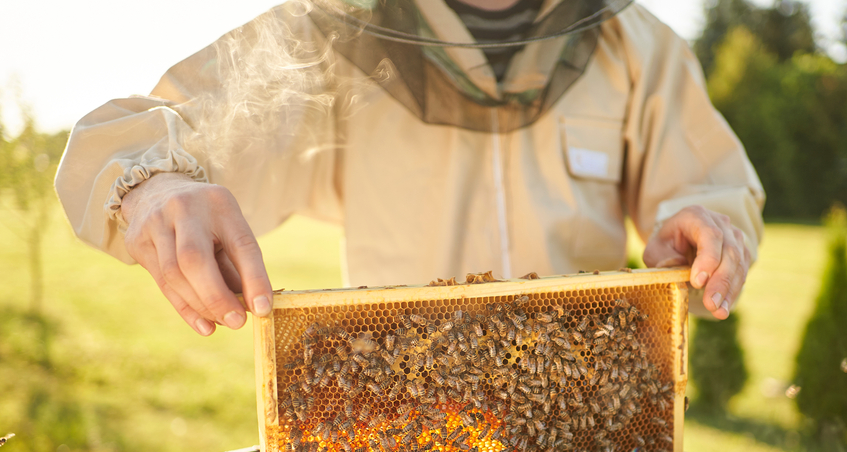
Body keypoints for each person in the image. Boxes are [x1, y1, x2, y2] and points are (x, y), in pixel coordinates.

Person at [54, 0, 764, 338]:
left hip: (591, 434)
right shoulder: (331, 33)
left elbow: (709, 185)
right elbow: (135, 136)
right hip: (405, 427)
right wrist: (155, 185)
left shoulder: (637, 46)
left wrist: (706, 230)